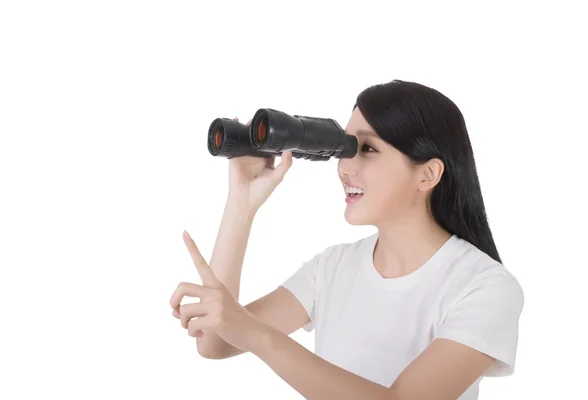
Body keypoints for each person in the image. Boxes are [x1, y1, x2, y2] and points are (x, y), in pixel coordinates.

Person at [172, 79, 524, 400]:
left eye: (368, 149)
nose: (344, 167)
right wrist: (241, 202)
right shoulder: (332, 268)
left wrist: (255, 333)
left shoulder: (484, 287)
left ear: (428, 174)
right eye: (345, 148)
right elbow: (216, 342)